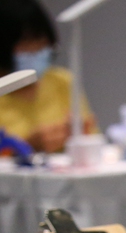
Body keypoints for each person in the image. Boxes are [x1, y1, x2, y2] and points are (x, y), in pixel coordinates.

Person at [0, 0, 96, 153]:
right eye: (25, 43)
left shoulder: (62, 81)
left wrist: (79, 135)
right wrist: (24, 147)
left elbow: (93, 136)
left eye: (41, 41)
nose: (36, 49)